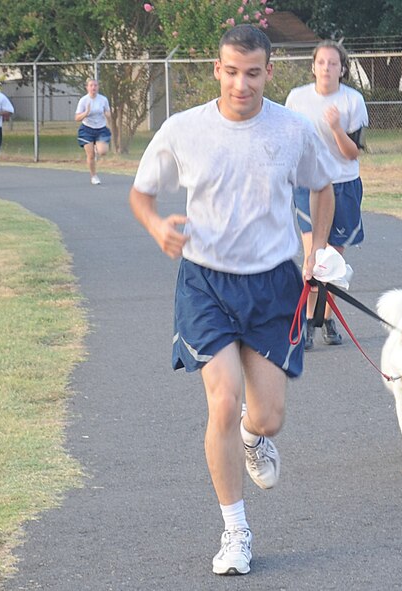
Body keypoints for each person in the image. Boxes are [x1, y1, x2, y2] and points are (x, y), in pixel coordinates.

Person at [129, 25, 337, 576]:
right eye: (231, 71)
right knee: (221, 401)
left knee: (266, 417)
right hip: (205, 283)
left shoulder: (293, 129)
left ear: (269, 72)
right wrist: (156, 227)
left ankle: (253, 437)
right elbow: (141, 193)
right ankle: (235, 532)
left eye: (252, 72)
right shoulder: (184, 129)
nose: (240, 83)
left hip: (272, 283)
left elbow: (323, 187)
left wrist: (315, 250)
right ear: (216, 70)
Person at [285, 40, 368, 350]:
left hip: (343, 184)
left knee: (331, 262)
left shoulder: (352, 101)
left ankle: (328, 318)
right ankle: (308, 320)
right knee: (313, 258)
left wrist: (336, 128)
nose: (327, 68)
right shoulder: (297, 99)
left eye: (333, 63)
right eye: (321, 62)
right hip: (308, 185)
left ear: (342, 69)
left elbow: (351, 154)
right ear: (313, 66)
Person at [75, 78, 112, 185]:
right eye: (91, 85)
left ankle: (97, 147)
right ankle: (94, 176)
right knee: (90, 155)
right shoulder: (83, 100)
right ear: (87, 88)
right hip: (87, 129)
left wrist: (108, 115)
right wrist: (86, 113)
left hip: (101, 128)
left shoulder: (103, 99)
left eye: (95, 85)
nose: (93, 88)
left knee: (103, 152)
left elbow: (108, 112)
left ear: (98, 87)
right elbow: (77, 118)